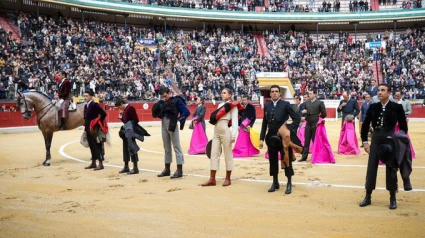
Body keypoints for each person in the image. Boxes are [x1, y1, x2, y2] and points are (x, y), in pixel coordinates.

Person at [360, 84, 408, 210]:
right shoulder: (373, 106)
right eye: (378, 90)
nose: (379, 92)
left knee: (391, 168)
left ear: (389, 93)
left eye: (382, 90)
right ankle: (368, 196)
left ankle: (392, 197)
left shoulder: (397, 107)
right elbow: (365, 125)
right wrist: (365, 142)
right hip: (375, 139)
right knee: (371, 167)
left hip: (389, 139)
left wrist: (397, 140)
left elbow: (404, 127)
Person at [259, 85, 301, 194]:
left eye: (276, 91)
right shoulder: (267, 106)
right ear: (270, 93)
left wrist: (289, 130)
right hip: (271, 137)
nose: (274, 93)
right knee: (272, 160)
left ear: (279, 93)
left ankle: (289, 183)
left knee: (286, 158)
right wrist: (261, 138)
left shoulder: (285, 104)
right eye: (272, 91)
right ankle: (275, 182)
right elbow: (264, 123)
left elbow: (297, 118)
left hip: (283, 138)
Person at [202, 88, 242, 187]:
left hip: (225, 130)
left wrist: (233, 135)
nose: (222, 94)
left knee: (227, 153)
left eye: (225, 93)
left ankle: (228, 178)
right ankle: (212, 179)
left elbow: (235, 122)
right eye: (222, 93)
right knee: (214, 153)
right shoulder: (220, 105)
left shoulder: (233, 106)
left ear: (230, 95)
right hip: (217, 130)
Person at [156, 87, 190, 179]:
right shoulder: (163, 102)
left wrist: (179, 119)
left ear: (169, 92)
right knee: (166, 147)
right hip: (163, 124)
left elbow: (186, 112)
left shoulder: (177, 100)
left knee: (176, 146)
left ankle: (180, 170)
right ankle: (167, 169)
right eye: (163, 97)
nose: (164, 98)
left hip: (172, 124)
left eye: (165, 96)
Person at [299, 89, 327, 162]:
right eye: (309, 94)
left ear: (314, 94)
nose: (309, 95)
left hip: (315, 124)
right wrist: (304, 114)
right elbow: (306, 112)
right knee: (306, 141)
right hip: (308, 123)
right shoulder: (307, 103)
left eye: (311, 93)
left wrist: (319, 119)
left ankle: (317, 156)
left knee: (315, 140)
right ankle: (304, 157)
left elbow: (324, 114)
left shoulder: (320, 103)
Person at [115, 97, 141, 175]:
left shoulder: (130, 108)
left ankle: (135, 167)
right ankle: (126, 166)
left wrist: (130, 128)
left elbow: (136, 120)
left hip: (131, 131)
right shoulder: (126, 109)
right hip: (126, 131)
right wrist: (121, 117)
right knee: (126, 148)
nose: (119, 109)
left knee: (132, 148)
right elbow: (125, 121)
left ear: (122, 104)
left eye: (119, 107)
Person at [83, 89, 107, 170]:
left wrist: (97, 123)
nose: (85, 98)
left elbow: (103, 114)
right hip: (88, 128)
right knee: (92, 145)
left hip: (94, 129)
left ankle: (100, 163)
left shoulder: (94, 105)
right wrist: (85, 129)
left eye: (86, 96)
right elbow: (86, 119)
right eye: (84, 96)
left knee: (97, 145)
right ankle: (93, 162)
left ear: (91, 96)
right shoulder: (86, 106)